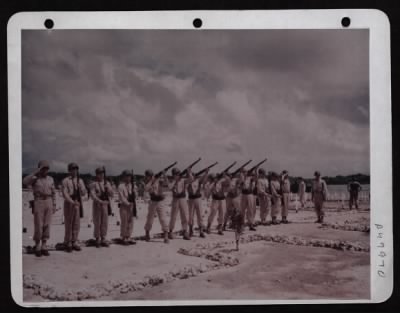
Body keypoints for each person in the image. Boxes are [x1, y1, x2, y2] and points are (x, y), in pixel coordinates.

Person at [23, 160, 56, 257]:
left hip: (49, 201)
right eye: (43, 168)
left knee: (47, 224)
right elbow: (24, 181)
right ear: (39, 169)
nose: (45, 170)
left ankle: (44, 245)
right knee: (38, 224)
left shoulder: (51, 179)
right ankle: (37, 245)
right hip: (38, 201)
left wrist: (54, 204)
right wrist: (35, 172)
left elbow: (53, 192)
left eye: (46, 168)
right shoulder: (34, 178)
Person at [61, 163, 87, 252]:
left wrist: (81, 189)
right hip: (69, 203)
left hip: (77, 202)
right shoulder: (65, 181)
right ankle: (68, 242)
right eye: (72, 169)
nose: (74, 171)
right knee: (69, 223)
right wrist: (72, 202)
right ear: (69, 170)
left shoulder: (80, 181)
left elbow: (84, 193)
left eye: (76, 169)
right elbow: (65, 194)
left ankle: (74, 241)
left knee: (76, 223)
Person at [143, 169, 170, 243]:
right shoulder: (148, 182)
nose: (149, 177)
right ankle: (147, 233)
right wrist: (152, 181)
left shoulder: (159, 181)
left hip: (160, 201)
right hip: (153, 201)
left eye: (150, 176)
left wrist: (164, 175)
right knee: (149, 219)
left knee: (163, 219)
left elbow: (167, 184)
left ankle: (166, 235)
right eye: (148, 176)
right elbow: (146, 188)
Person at [90, 167, 113, 248]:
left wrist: (108, 189)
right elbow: (92, 195)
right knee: (97, 221)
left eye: (102, 173)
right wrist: (99, 200)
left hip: (105, 204)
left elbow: (111, 194)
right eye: (99, 173)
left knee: (104, 221)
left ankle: (103, 238)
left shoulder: (107, 183)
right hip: (97, 204)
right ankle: (97, 238)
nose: (101, 175)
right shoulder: (94, 184)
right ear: (97, 175)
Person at [168, 168, 191, 240]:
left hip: (183, 199)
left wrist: (189, 172)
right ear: (173, 175)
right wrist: (175, 181)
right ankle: (170, 231)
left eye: (178, 174)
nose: (177, 175)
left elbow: (191, 179)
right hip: (175, 199)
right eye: (176, 174)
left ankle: (185, 231)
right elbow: (170, 187)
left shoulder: (183, 180)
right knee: (173, 216)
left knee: (184, 215)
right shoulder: (172, 181)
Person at [187, 170, 208, 238]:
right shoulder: (189, 182)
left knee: (200, 215)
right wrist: (189, 171)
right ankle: (190, 231)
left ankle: (201, 231)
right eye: (192, 175)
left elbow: (203, 178)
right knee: (191, 216)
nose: (193, 176)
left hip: (198, 199)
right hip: (191, 199)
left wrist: (206, 172)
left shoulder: (198, 181)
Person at [118, 170, 136, 245]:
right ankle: (123, 237)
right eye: (127, 176)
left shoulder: (132, 186)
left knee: (131, 222)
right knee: (124, 222)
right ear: (124, 177)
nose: (128, 178)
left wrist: (134, 194)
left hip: (131, 205)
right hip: (124, 206)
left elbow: (135, 195)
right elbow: (121, 197)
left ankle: (128, 236)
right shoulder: (121, 186)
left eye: (130, 176)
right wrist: (128, 203)